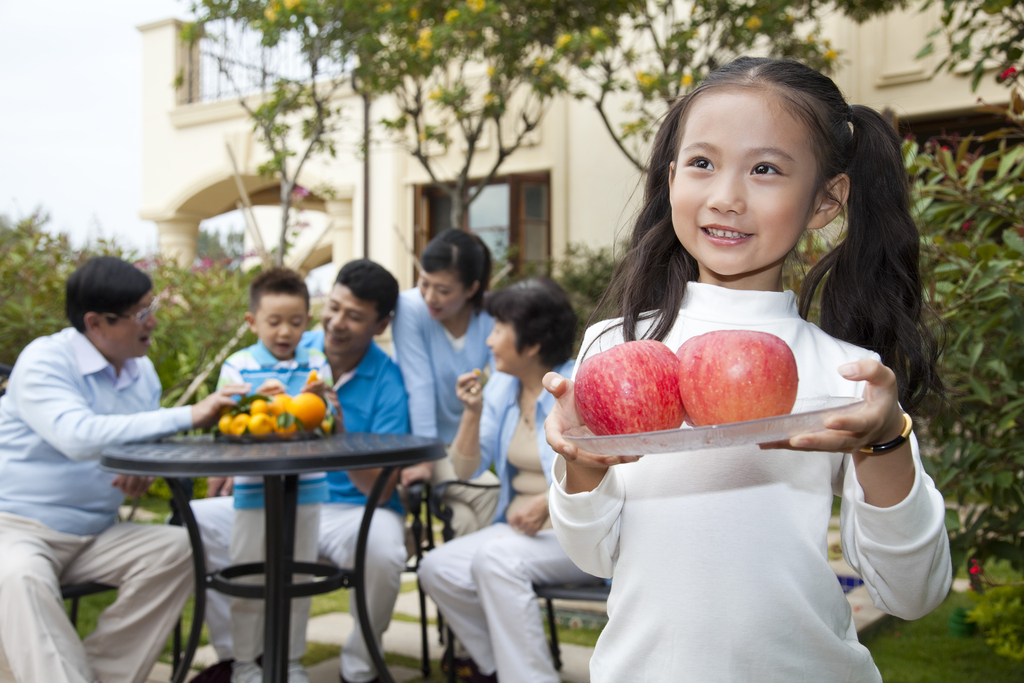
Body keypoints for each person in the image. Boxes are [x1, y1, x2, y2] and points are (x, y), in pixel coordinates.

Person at [543, 57, 951, 683]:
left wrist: (886, 440)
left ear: (825, 200)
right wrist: (584, 464)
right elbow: (592, 553)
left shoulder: (849, 375)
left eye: (765, 169)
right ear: (672, 177)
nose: (726, 197)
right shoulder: (615, 348)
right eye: (702, 163)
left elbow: (912, 594)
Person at [0, 255, 244, 683]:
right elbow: (77, 436)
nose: (152, 322)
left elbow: (132, 439)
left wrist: (142, 467)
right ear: (96, 323)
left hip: (94, 533)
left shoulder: (141, 372)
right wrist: (190, 415)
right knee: (19, 576)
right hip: (16, 529)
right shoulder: (45, 361)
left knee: (180, 549)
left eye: (152, 308)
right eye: (141, 314)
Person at [193, 259, 411, 683]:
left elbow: (381, 490)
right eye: (333, 308)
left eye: (354, 316)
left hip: (345, 507)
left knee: (378, 555)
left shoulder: (386, 381)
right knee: (195, 530)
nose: (336, 323)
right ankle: (237, 659)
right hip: (265, 491)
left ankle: (356, 668)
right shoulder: (292, 346)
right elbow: (237, 416)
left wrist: (338, 426)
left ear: (381, 324)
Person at [417, 277, 593, 683]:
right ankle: (499, 667)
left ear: (531, 344)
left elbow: (611, 467)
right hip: (518, 535)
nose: (490, 341)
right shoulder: (501, 388)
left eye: (499, 329)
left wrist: (549, 501)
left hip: (577, 536)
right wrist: (472, 412)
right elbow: (466, 471)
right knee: (436, 567)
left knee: (494, 561)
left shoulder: (578, 386)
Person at [209, 267, 334, 683]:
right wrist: (249, 400)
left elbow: (328, 422)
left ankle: (291, 660)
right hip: (253, 491)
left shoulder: (316, 363)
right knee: (250, 572)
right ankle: (246, 662)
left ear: (307, 322)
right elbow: (227, 424)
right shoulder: (238, 365)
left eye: (296, 322)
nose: (285, 332)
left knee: (298, 575)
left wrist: (321, 403)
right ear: (252, 322)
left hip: (307, 488)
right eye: (274, 322)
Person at [392, 229, 499, 537]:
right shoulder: (410, 308)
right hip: (418, 440)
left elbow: (503, 384)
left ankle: (456, 580)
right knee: (492, 490)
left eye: (443, 290)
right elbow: (419, 385)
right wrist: (425, 456)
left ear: (471, 289)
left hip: (461, 442)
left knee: (464, 519)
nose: (429, 297)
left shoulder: (490, 313)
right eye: (423, 282)